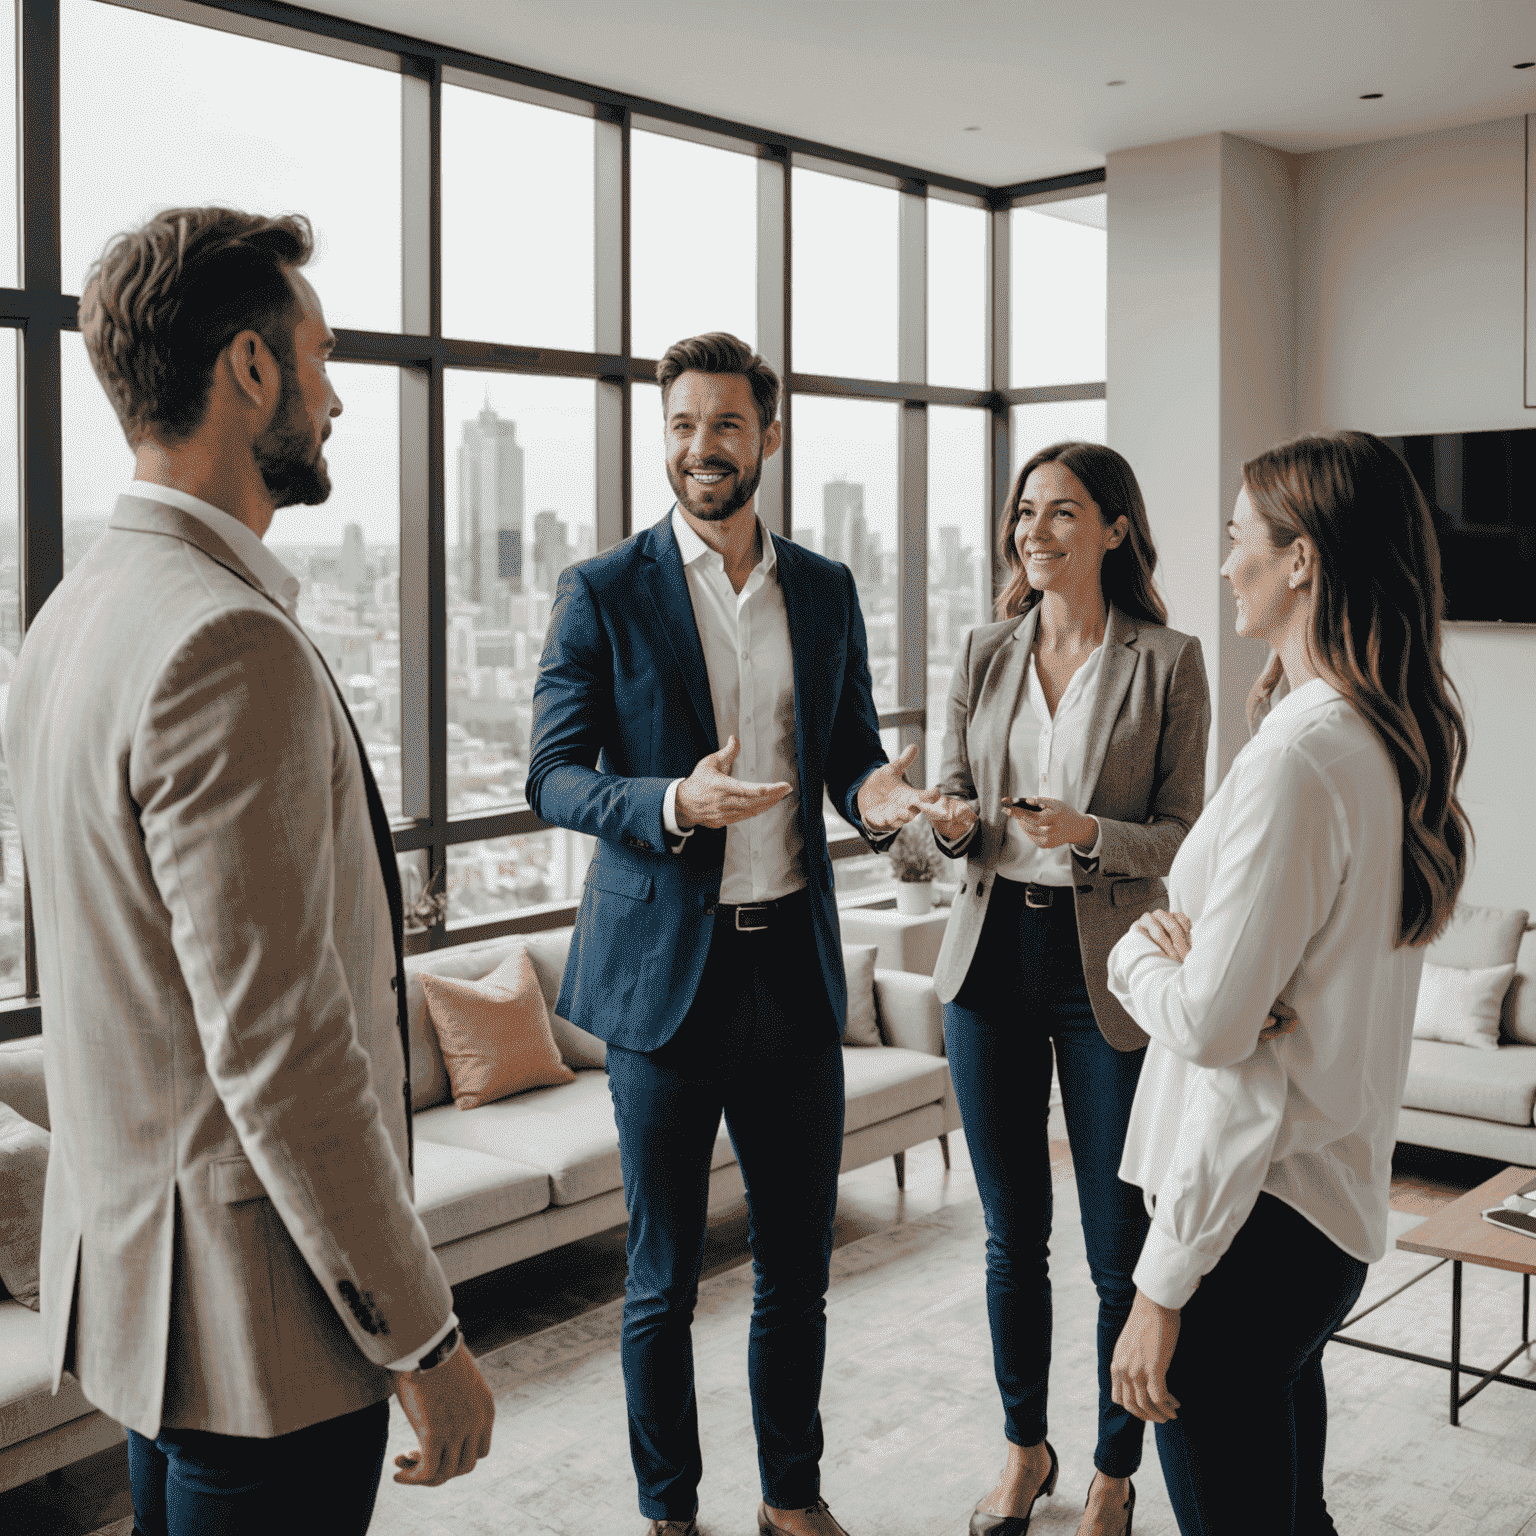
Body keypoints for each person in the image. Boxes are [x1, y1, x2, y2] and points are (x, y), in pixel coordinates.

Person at [3, 208, 495, 1536]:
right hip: (261, 1331)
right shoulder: (228, 643)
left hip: (146, 1301)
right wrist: (420, 1338)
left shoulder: (69, 617)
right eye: (321, 355)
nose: (335, 396)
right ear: (250, 368)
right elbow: (280, 1048)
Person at [526, 331, 933, 1536]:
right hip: (664, 980)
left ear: (769, 434)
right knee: (659, 1281)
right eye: (681, 427)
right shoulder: (602, 590)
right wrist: (664, 803)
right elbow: (549, 776)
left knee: (796, 1269)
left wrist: (885, 800)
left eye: (724, 426)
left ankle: (791, 1497)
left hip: (793, 975)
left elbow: (851, 755)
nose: (701, 449)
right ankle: (670, 1513)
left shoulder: (822, 588)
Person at [1106, 431, 1472, 1535]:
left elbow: (1225, 1041)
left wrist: (1135, 953)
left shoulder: (1302, 758)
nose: (1223, 565)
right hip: (1317, 1224)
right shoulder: (1374, 737)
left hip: (1242, 1230)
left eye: (1236, 540)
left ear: (1300, 560)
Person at [921, 441, 1212, 1536]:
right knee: (1010, 1237)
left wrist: (1090, 834)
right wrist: (951, 820)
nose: (1034, 533)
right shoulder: (985, 649)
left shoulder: (1169, 659)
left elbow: (1183, 829)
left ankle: (1111, 1470)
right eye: (1024, 514)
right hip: (989, 961)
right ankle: (1024, 1448)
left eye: (1060, 513)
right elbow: (953, 801)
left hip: (1110, 972)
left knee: (1114, 1246)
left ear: (1115, 528)